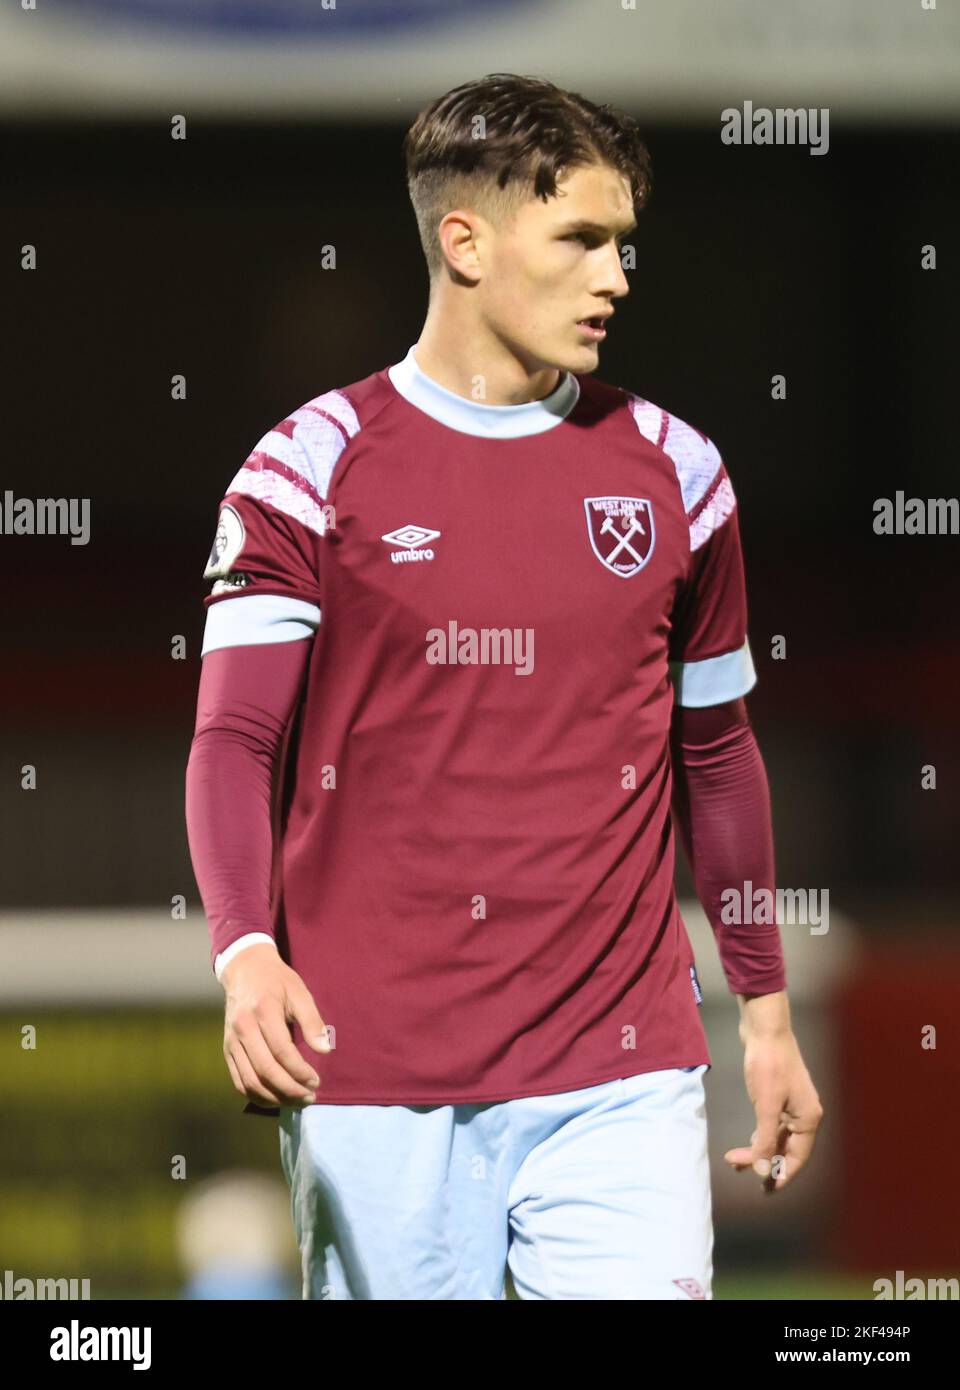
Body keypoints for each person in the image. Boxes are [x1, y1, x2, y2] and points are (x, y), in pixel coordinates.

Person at [185, 72, 823, 1301]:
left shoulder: (678, 476)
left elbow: (718, 752)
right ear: (464, 242)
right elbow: (234, 737)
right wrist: (245, 949)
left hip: (622, 1068)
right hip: (372, 1068)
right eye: (581, 239)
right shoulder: (307, 469)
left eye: (624, 245)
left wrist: (765, 1006)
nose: (616, 278)